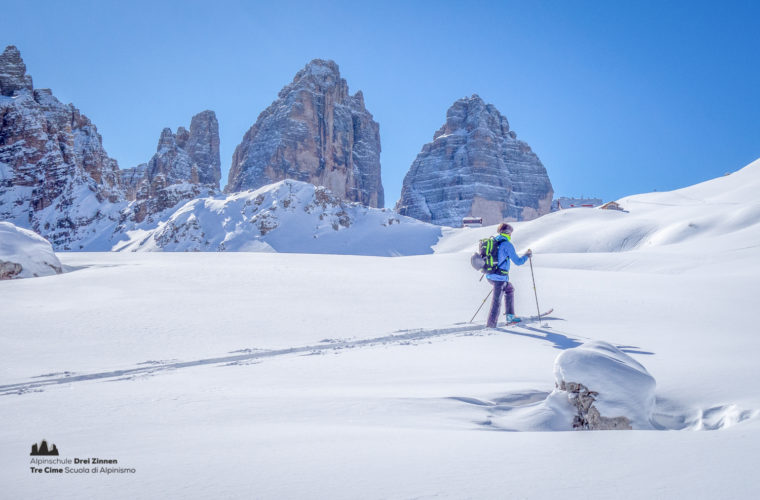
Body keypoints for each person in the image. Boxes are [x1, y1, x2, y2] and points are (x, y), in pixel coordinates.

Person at [486, 223, 532, 328]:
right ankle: (491, 326)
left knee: (509, 288)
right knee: (496, 301)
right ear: (508, 232)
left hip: (490, 275)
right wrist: (527, 256)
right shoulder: (507, 244)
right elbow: (518, 261)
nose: (511, 235)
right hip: (500, 277)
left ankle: (510, 317)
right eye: (511, 232)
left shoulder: (493, 241)